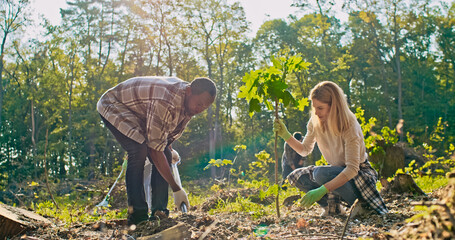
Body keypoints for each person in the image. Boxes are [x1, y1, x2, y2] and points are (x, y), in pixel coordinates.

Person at [97, 76, 216, 225]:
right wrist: (176, 188)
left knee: (164, 153)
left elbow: (163, 137)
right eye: (198, 104)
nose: (199, 110)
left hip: (140, 113)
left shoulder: (188, 103)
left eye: (204, 107)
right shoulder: (167, 101)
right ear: (189, 91)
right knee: (138, 150)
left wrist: (168, 146)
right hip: (114, 104)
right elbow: (154, 150)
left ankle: (159, 213)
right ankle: (138, 217)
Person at [274, 81, 388, 216]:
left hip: (358, 176)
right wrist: (286, 135)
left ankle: (361, 206)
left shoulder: (349, 125)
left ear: (333, 106)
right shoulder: (315, 122)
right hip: (335, 172)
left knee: (320, 173)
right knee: (296, 177)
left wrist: (322, 190)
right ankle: (333, 208)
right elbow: (304, 149)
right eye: (314, 107)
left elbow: (352, 169)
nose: (316, 112)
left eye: (320, 108)